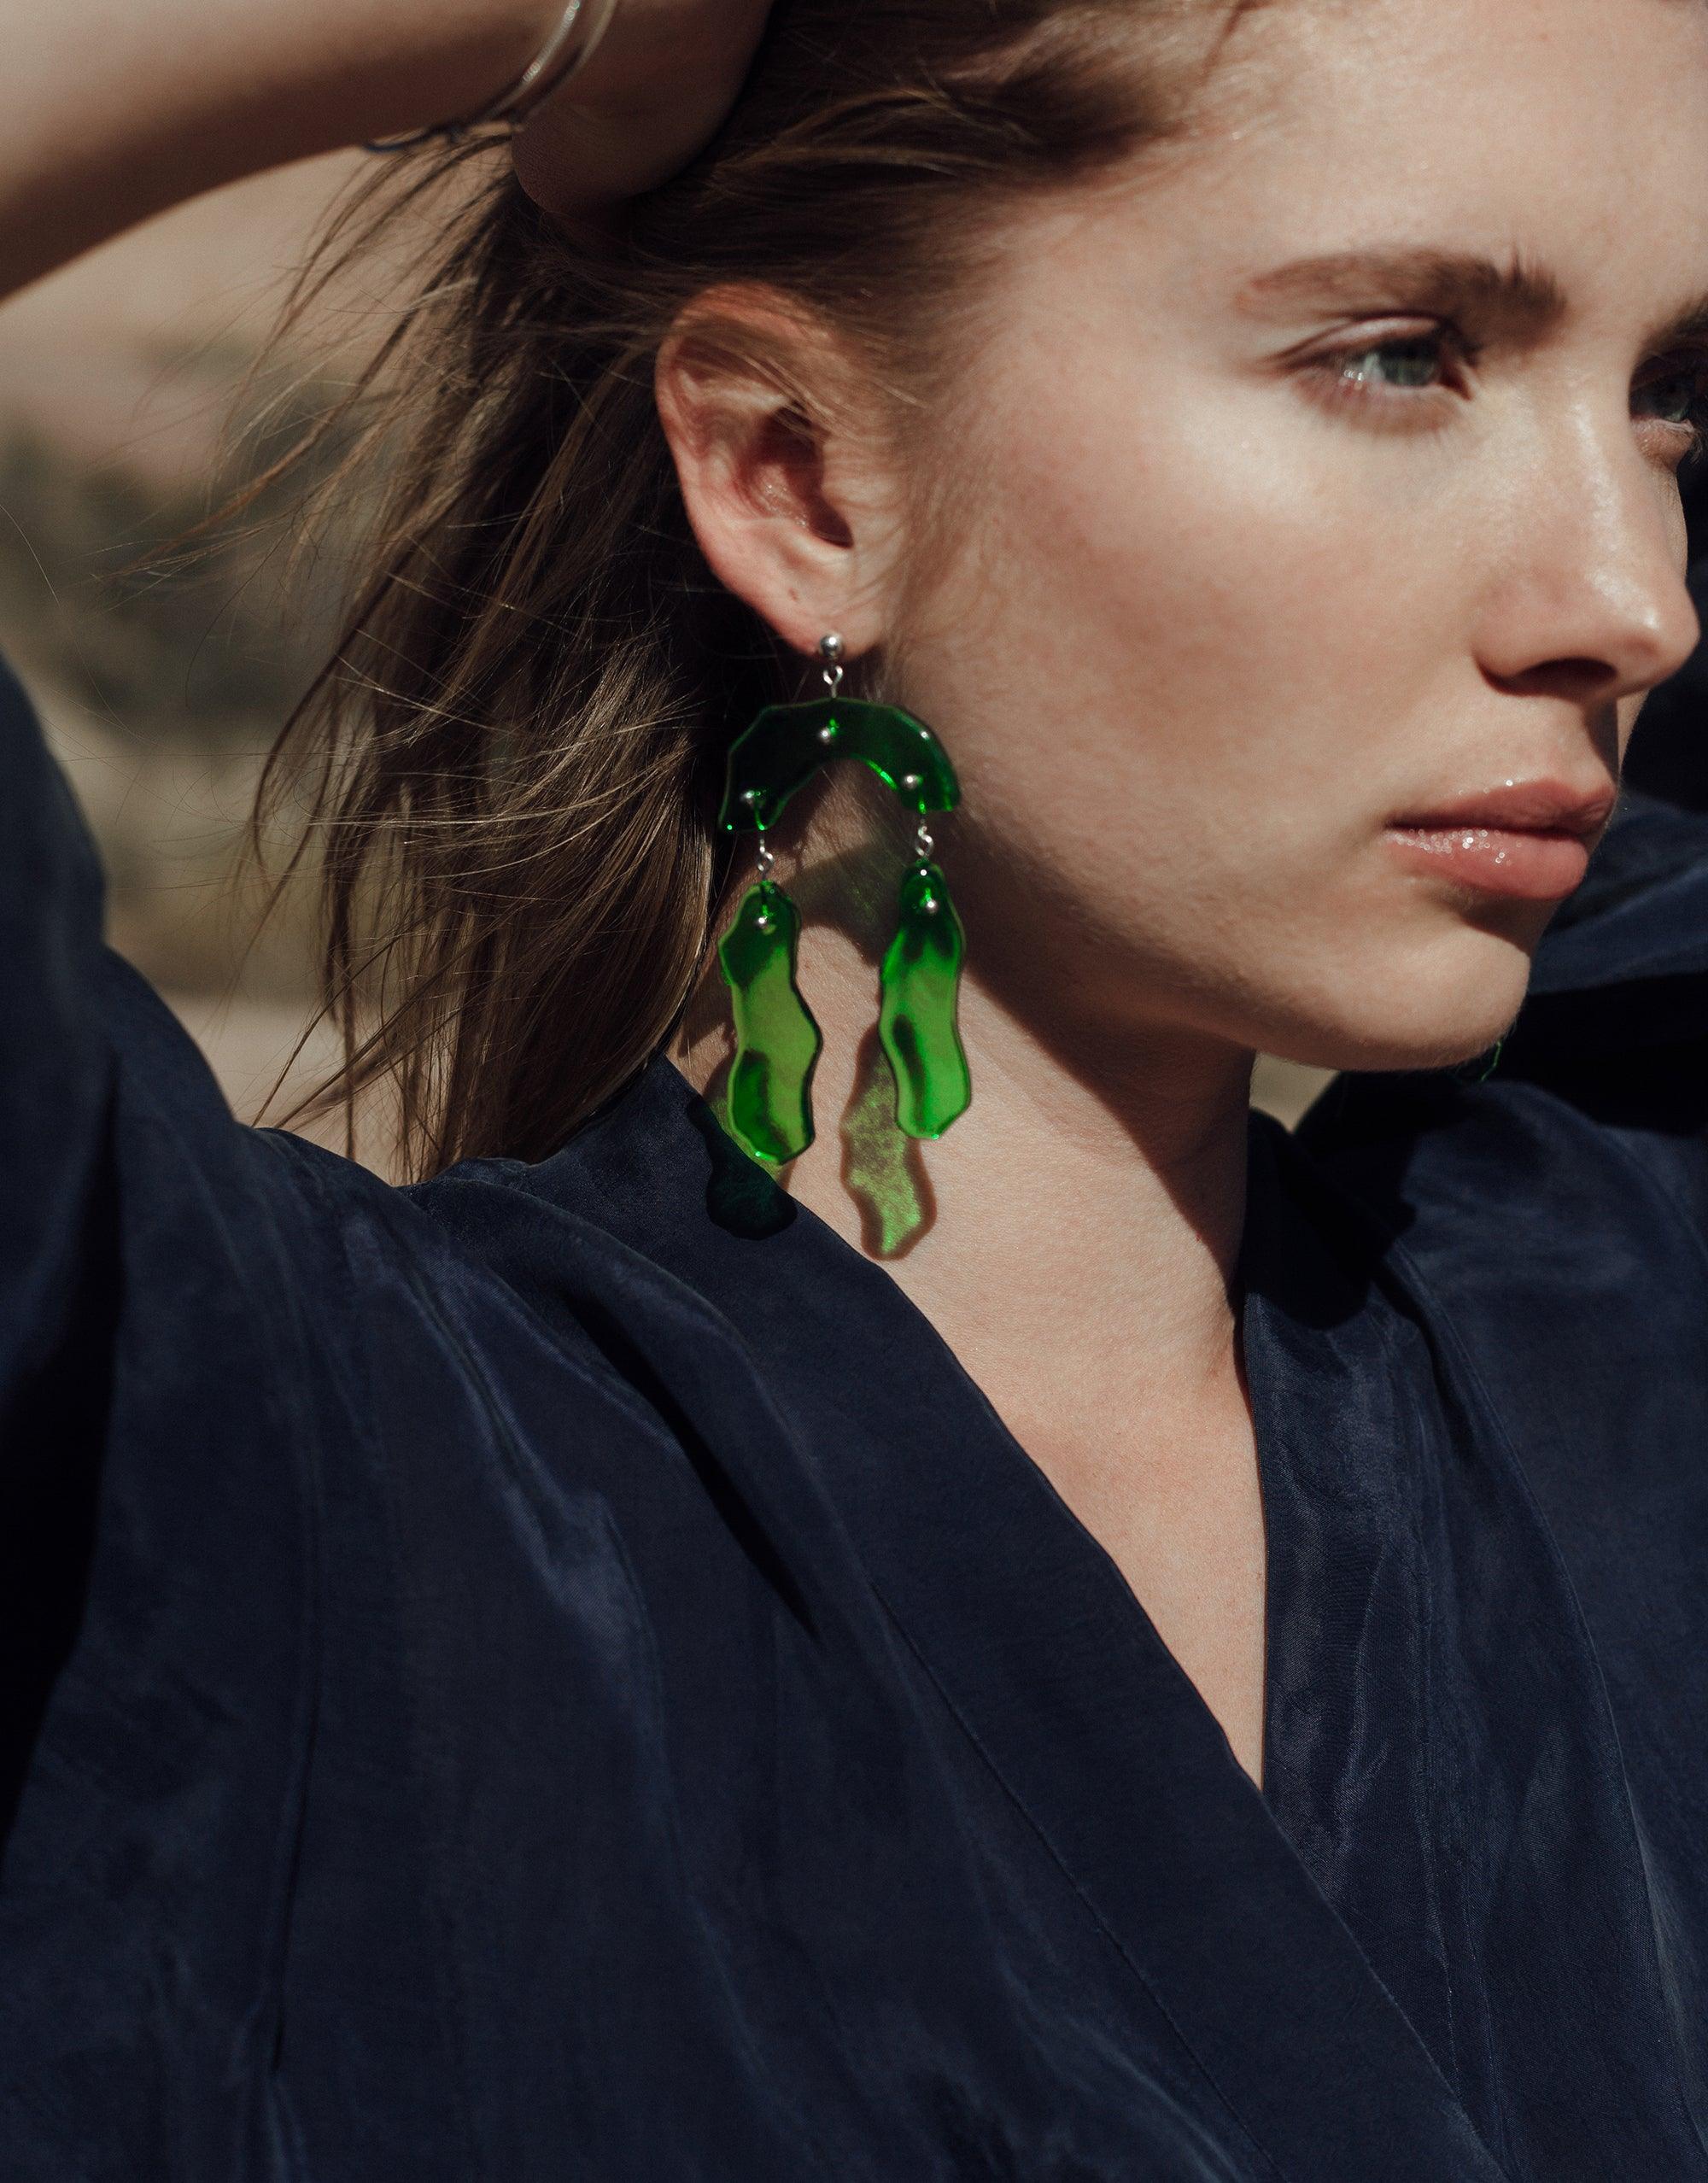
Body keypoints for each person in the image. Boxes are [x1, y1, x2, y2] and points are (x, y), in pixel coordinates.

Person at [3, 0, 1708, 2174]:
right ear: (798, 483)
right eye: (1399, 355)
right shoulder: (299, 1479)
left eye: (1669, 399)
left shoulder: (1614, 1295)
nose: (1632, 600)